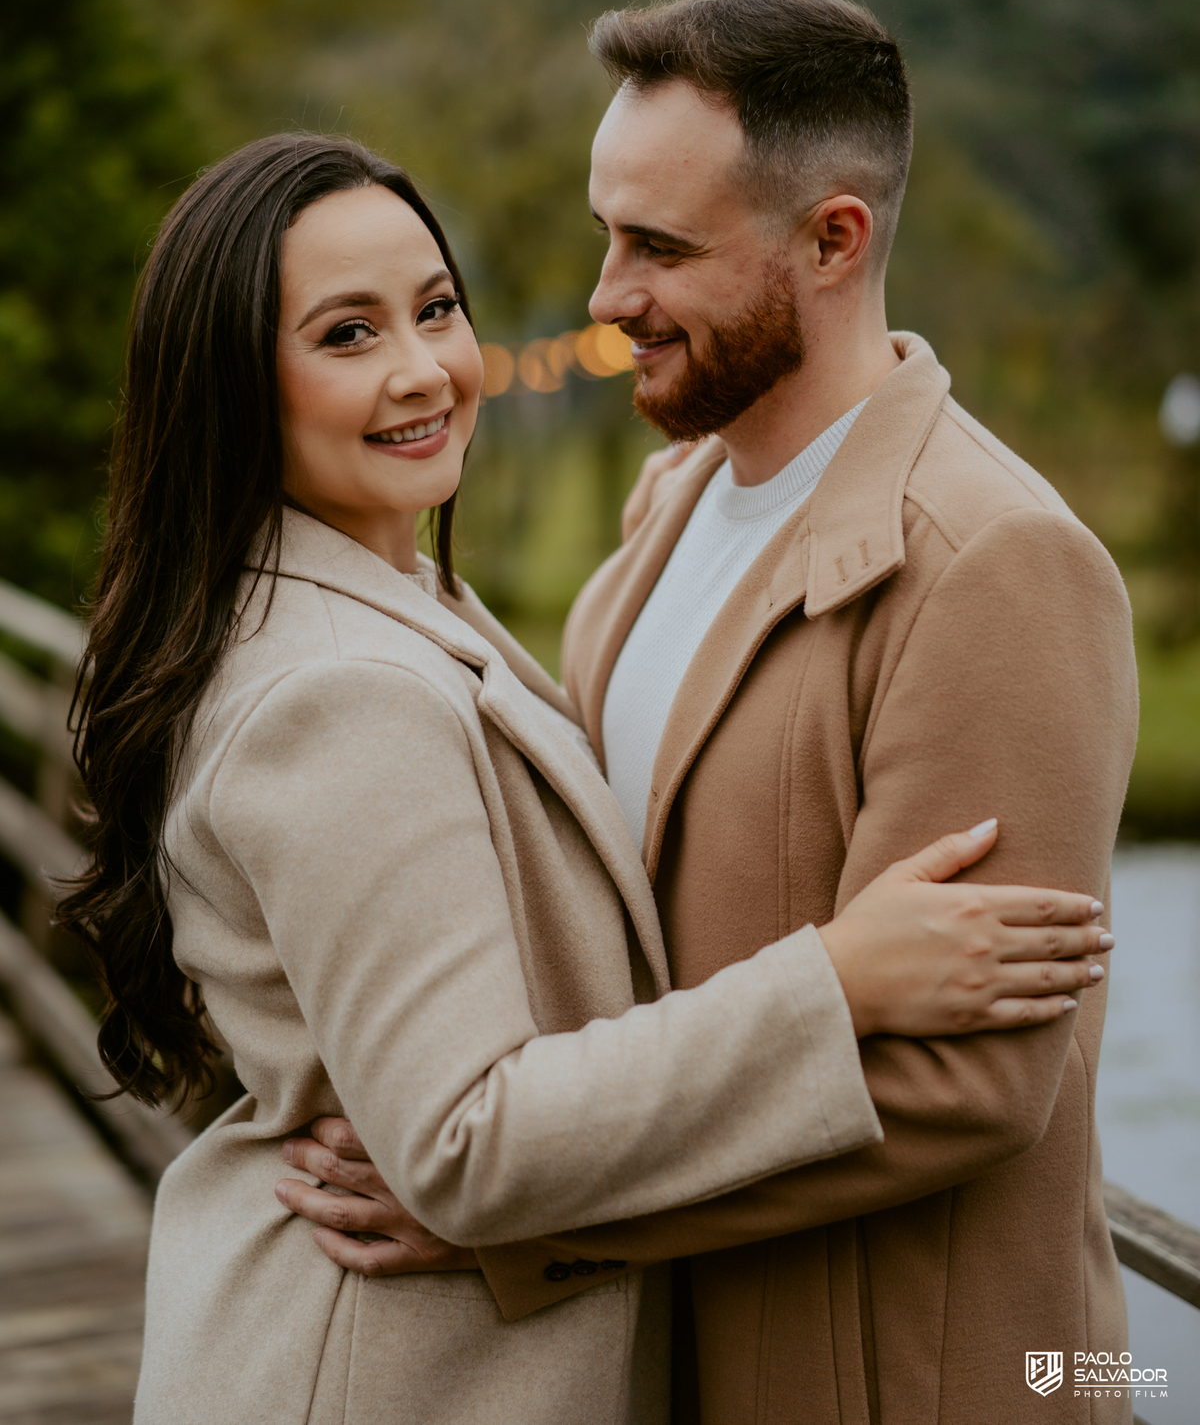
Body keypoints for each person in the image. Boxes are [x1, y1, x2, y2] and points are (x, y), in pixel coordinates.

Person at [54, 128, 1113, 1425]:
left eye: (435, 309)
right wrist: (836, 979)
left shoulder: (382, 598)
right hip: (386, 1372)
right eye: (344, 335)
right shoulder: (339, 692)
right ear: (229, 386)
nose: (422, 370)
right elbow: (464, 1141)